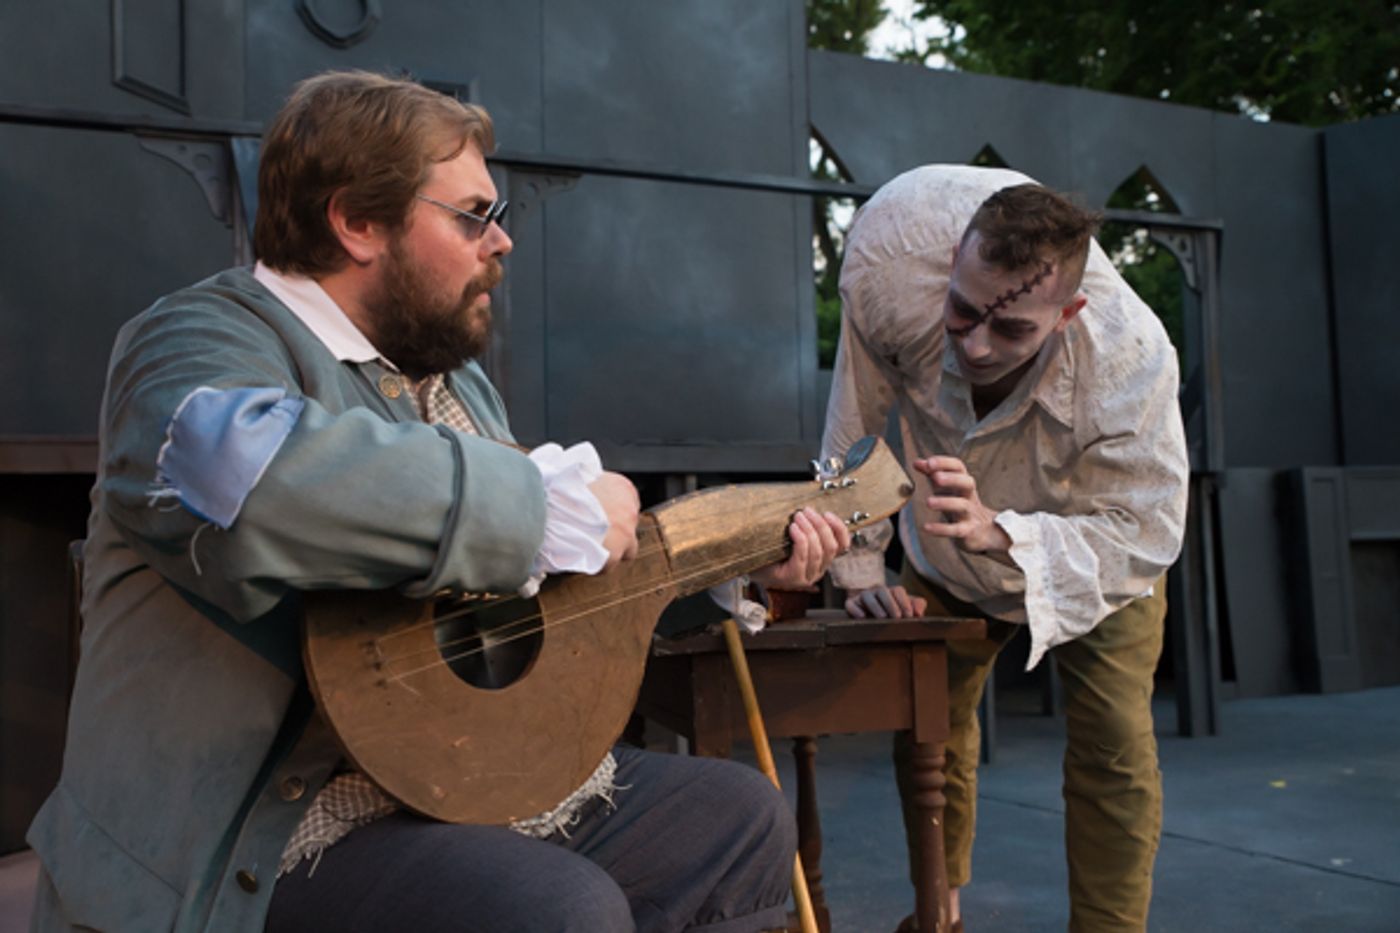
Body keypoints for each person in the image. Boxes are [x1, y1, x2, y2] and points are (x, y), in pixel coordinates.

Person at [27, 69, 851, 933]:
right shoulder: (192, 340)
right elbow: (251, 479)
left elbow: (538, 605)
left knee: (734, 819)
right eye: (472, 215)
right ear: (356, 222)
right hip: (255, 835)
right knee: (554, 906)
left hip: (439, 777)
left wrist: (735, 567)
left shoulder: (453, 387)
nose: (502, 241)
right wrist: (539, 508)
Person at [821, 165, 1189, 932]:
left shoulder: (1132, 361)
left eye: (1013, 330)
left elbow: (1146, 529)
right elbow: (856, 412)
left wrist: (1004, 530)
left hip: (1091, 555)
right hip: (946, 544)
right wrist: (859, 564)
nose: (977, 347)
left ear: (1068, 314)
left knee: (1114, 748)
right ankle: (940, 910)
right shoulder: (892, 259)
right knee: (930, 726)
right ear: (955, 257)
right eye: (961, 311)